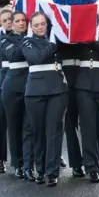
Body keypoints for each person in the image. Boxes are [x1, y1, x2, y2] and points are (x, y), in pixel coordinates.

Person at [22, 11, 69, 187]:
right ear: (31, 27)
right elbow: (37, 58)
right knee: (39, 133)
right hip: (35, 93)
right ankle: (40, 170)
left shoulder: (58, 39)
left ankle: (52, 172)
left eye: (43, 24)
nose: (40, 27)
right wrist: (53, 41)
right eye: (36, 25)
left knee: (54, 133)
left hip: (57, 91)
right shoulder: (27, 42)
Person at [74, 15, 99, 183]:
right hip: (84, 87)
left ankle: (95, 162)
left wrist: (93, 37)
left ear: (98, 23)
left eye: (94, 22)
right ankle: (91, 167)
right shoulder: (79, 40)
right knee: (88, 127)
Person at [0, 11, 34, 180]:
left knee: (28, 129)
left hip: (31, 88)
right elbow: (14, 55)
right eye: (17, 21)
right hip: (12, 90)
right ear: (12, 24)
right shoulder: (6, 40)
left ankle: (28, 164)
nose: (21, 23)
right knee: (14, 129)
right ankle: (18, 164)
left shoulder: (31, 38)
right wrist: (28, 40)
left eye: (24, 21)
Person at [57, 39, 85, 178]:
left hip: (84, 81)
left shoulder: (85, 37)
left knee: (78, 124)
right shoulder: (58, 37)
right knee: (68, 124)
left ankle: (90, 164)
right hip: (64, 82)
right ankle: (76, 164)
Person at [0, 8, 11, 174]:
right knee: (1, 122)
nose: (9, 22)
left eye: (11, 19)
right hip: (2, 81)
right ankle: (1, 158)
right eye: (5, 20)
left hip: (23, 81)